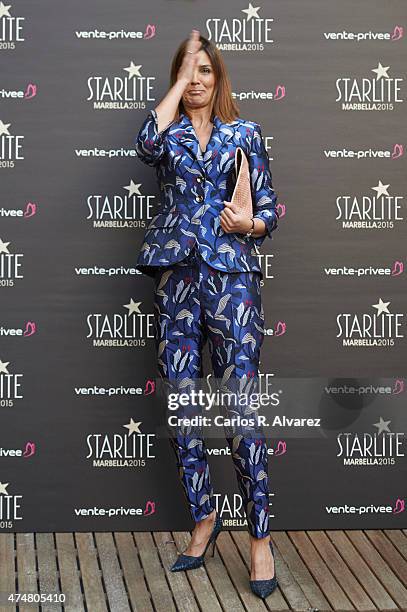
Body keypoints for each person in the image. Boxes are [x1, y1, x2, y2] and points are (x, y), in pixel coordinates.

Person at [134, 29, 280, 599]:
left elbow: (268, 211)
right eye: (187, 72)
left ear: (220, 79)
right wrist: (177, 78)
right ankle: (203, 520)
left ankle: (260, 538)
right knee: (184, 405)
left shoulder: (245, 134)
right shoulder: (166, 136)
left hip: (233, 283)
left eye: (206, 72)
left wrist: (248, 225)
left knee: (241, 410)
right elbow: (145, 143)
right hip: (177, 281)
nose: (196, 81)